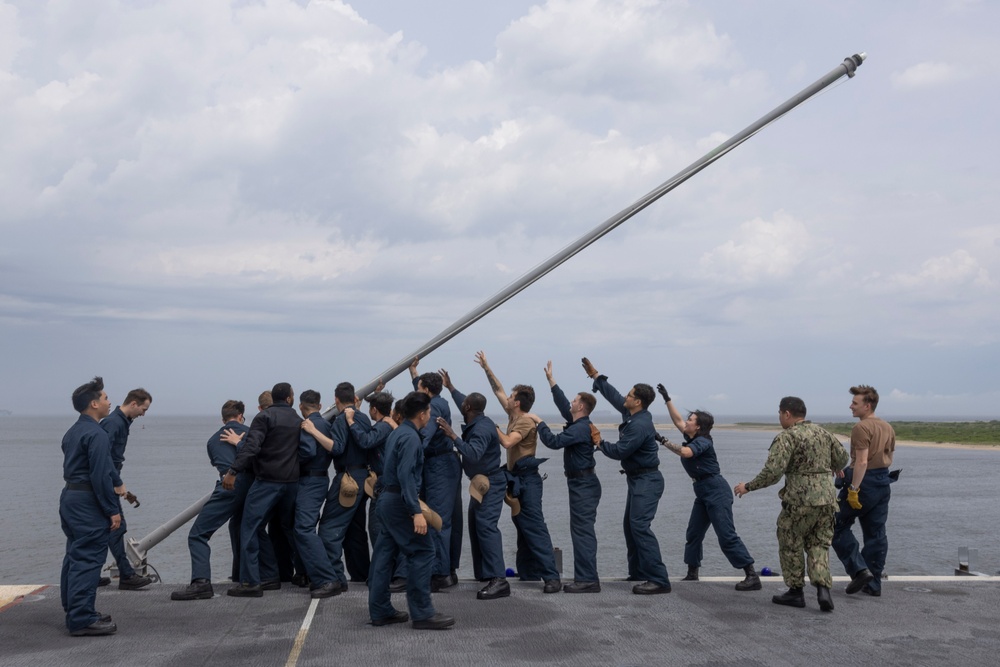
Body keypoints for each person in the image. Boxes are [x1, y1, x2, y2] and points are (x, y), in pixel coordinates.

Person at [734, 396, 849, 612]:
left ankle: (796, 591)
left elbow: (773, 472)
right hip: (826, 499)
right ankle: (823, 589)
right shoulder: (823, 433)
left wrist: (748, 487)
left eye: (780, 414)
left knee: (790, 542)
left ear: (787, 413)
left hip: (800, 500)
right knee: (819, 543)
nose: (779, 418)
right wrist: (830, 466)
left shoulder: (787, 437)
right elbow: (842, 459)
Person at [655, 383, 760, 591]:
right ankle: (692, 573)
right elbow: (677, 419)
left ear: (699, 427)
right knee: (693, 532)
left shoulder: (703, 442)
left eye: (691, 420)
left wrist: (662, 440)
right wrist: (666, 398)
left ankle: (751, 574)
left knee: (726, 534)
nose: (686, 422)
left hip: (716, 491)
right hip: (702, 492)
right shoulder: (691, 436)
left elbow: (686, 453)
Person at [583, 357, 671, 595]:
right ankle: (639, 572)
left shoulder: (639, 425)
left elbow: (621, 451)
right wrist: (596, 376)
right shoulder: (634, 414)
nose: (626, 397)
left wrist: (599, 442)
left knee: (640, 526)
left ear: (638, 401)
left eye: (630, 395)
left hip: (647, 480)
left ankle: (659, 580)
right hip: (637, 479)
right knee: (630, 526)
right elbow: (613, 397)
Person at [368, 392, 455, 630]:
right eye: (428, 411)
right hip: (399, 502)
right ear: (422, 414)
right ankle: (422, 613)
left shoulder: (398, 433)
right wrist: (416, 511)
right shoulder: (411, 439)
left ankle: (380, 610)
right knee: (424, 551)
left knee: (384, 555)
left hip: (387, 500)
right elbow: (406, 475)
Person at [475, 351, 561, 593]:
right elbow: (498, 389)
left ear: (518, 403)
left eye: (512, 397)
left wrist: (492, 427)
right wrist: (486, 367)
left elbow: (508, 443)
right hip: (516, 478)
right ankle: (529, 572)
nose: (508, 398)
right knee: (522, 525)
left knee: (533, 526)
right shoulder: (513, 413)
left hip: (528, 480)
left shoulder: (523, 421)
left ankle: (552, 578)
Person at [523, 361, 602, 593]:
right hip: (581, 483)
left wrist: (540, 423)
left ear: (581, 407)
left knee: (582, 531)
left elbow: (554, 442)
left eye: (575, 401)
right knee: (580, 530)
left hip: (583, 484)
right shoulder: (578, 422)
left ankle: (588, 580)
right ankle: (586, 577)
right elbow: (562, 404)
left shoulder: (579, 429)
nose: (572, 403)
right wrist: (551, 381)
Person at [223, 382, 301, 597]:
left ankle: (251, 582)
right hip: (292, 483)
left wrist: (233, 470)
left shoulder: (264, 417)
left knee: (249, 528)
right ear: (288, 398)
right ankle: (297, 574)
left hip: (268, 482)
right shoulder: (297, 419)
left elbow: (252, 446)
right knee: (290, 530)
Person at [436, 371, 509, 601]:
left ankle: (499, 580)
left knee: (487, 527)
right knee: (476, 525)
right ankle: (485, 574)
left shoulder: (480, 429)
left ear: (468, 408)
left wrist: (452, 436)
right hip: (481, 484)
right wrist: (451, 387)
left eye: (464, 402)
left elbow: (474, 454)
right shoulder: (477, 418)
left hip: (490, 483)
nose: (462, 404)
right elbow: (464, 402)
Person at [171, 400, 252, 601]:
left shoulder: (212, 440)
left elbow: (220, 464)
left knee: (198, 534)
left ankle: (201, 583)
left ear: (223, 419)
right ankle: (249, 579)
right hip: (254, 488)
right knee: (244, 530)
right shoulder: (251, 433)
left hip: (229, 486)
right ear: (241, 415)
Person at [60, 377, 120, 636]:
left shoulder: (72, 431)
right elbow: (100, 476)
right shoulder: (97, 434)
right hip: (87, 502)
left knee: (74, 555)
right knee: (88, 559)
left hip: (70, 497)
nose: (109, 402)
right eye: (106, 398)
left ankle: (74, 609)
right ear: (94, 403)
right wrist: (112, 509)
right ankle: (81, 619)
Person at [832, 384, 896, 597]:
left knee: (835, 525)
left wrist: (853, 489)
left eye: (855, 403)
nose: (851, 406)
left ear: (867, 406)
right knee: (876, 533)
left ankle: (859, 571)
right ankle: (873, 583)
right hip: (883, 481)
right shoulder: (887, 427)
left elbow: (861, 462)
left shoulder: (861, 428)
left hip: (864, 483)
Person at [409, 358, 462, 592]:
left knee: (438, 520)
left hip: (439, 464)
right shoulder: (437, 399)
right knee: (444, 519)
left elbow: (425, 436)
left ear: (427, 391)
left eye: (419, 387)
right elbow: (419, 394)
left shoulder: (435, 408)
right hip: (443, 463)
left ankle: (440, 574)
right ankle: (447, 569)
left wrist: (405, 449)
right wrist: (413, 372)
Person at [318, 382, 373, 590]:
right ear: (355, 399)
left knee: (329, 528)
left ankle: (335, 578)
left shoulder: (342, 420)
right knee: (355, 529)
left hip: (347, 478)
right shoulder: (363, 418)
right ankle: (361, 574)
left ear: (336, 400)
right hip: (363, 476)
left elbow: (338, 448)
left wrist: (316, 432)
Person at [100, 388, 153, 590]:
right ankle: (126, 575)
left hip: (111, 479)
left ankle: (90, 574)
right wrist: (115, 484)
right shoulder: (113, 423)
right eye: (143, 408)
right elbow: (102, 457)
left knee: (99, 529)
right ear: (133, 403)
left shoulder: (122, 422)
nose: (143, 413)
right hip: (108, 481)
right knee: (117, 526)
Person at [292, 390, 343, 599]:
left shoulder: (307, 425)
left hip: (309, 480)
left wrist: (289, 461)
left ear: (301, 407)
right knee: (307, 526)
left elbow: (307, 452)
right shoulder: (326, 425)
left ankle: (326, 579)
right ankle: (313, 574)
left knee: (303, 528)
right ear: (320, 406)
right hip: (322, 478)